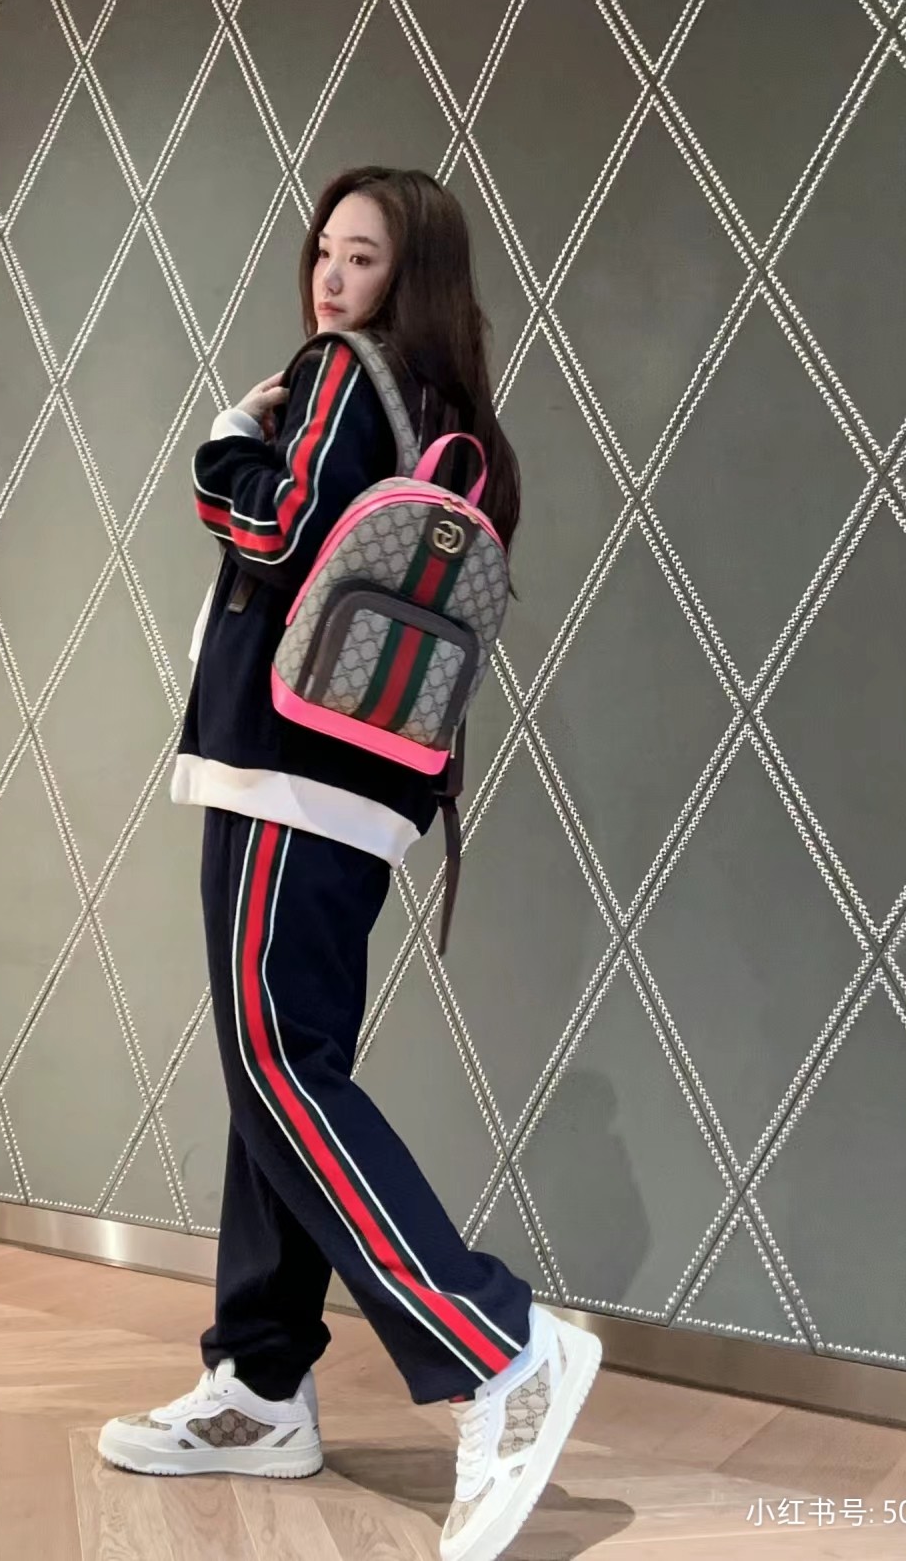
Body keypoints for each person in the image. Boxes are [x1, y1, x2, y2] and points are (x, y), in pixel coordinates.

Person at [98, 168, 601, 1561]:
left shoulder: (335, 375)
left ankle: (497, 1343)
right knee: (283, 1064)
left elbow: (275, 527)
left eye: (362, 257)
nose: (331, 279)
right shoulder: (458, 422)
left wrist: (225, 443)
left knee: (278, 1067)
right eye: (325, 252)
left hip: (285, 773)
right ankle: (262, 1383)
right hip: (371, 785)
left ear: (407, 275)